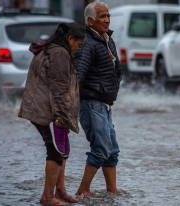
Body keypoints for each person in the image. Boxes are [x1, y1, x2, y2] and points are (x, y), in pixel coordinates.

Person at [18, 22, 85, 206]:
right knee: (56, 153)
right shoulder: (59, 54)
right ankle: (47, 198)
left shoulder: (54, 49)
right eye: (78, 44)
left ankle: (60, 192)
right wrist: (63, 118)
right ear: (70, 38)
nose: (78, 48)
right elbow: (59, 90)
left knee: (62, 152)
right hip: (50, 112)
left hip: (49, 110)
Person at [74, 1, 122, 196]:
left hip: (105, 104)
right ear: (90, 21)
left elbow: (117, 69)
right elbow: (78, 74)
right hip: (91, 103)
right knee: (101, 148)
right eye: (102, 17)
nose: (107, 20)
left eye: (108, 16)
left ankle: (112, 191)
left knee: (112, 151)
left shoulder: (108, 40)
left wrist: (114, 86)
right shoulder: (86, 42)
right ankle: (83, 190)